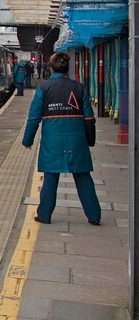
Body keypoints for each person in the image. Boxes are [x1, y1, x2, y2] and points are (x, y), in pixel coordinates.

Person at [22, 51, 100, 225]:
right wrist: (90, 140)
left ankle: (44, 214)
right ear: (67, 68)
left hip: (52, 141)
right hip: (77, 140)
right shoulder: (79, 88)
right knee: (83, 177)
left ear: (51, 69)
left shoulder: (43, 89)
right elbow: (89, 118)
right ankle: (94, 216)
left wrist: (27, 141)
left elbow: (34, 118)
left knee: (50, 177)